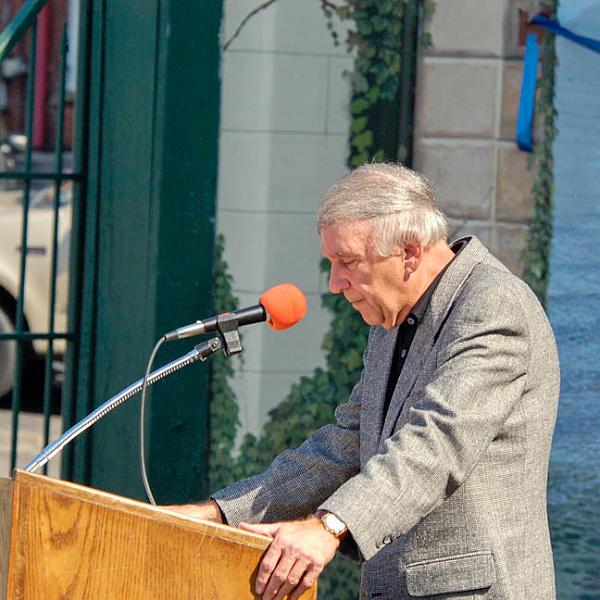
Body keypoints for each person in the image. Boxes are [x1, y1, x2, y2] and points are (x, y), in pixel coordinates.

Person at [166, 163, 560, 600]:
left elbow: (435, 444)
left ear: (410, 252)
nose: (335, 283)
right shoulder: (393, 314)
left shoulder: (494, 306)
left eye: (347, 262)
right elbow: (348, 444)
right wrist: (218, 514)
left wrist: (328, 526)